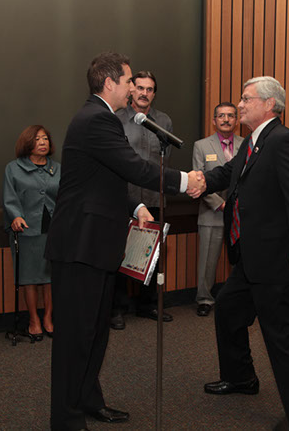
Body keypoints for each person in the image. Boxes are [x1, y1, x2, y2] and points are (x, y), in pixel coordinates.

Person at [45, 51, 204, 430]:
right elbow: (133, 167)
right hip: (79, 248)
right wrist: (184, 181)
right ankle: (65, 421)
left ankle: (87, 400)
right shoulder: (95, 119)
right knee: (75, 339)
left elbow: (107, 180)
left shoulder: (103, 119)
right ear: (110, 82)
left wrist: (135, 209)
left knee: (95, 334)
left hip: (96, 245)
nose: (133, 87)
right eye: (130, 80)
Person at [199, 77, 289, 430]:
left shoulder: (284, 142)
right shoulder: (253, 142)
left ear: (269, 104)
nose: (239, 104)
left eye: (246, 98)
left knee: (281, 342)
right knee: (227, 309)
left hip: (273, 260)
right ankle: (241, 378)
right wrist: (200, 181)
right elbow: (229, 174)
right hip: (248, 257)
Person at [111, 70, 174, 330]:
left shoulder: (164, 121)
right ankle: (117, 308)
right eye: (140, 88)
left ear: (154, 93)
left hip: (154, 196)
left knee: (153, 254)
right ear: (131, 90)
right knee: (120, 253)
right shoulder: (117, 118)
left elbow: (166, 157)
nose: (144, 93)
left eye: (150, 89)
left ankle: (147, 305)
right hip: (124, 198)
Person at [3, 125, 60, 340]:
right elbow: (10, 197)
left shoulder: (58, 168)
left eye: (46, 138)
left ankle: (48, 317)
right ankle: (34, 319)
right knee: (29, 276)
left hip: (53, 229)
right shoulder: (13, 168)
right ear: (28, 143)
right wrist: (15, 215)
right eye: (38, 139)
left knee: (49, 277)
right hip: (26, 229)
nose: (43, 142)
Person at [192, 102, 244, 317]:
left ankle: (240, 298)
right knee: (207, 260)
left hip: (241, 214)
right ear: (214, 120)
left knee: (241, 259)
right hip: (211, 211)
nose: (226, 119)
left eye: (230, 115)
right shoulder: (201, 146)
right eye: (221, 116)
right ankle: (204, 299)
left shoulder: (247, 144)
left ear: (237, 120)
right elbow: (198, 179)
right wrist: (222, 205)